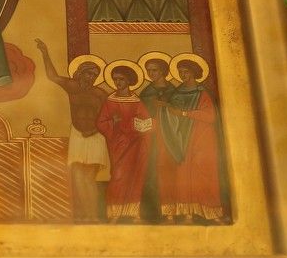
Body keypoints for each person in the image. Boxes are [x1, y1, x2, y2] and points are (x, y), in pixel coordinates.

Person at [35, 40, 109, 221]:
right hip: (77, 134)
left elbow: (109, 117)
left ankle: (93, 215)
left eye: (95, 75)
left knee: (89, 178)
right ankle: (85, 214)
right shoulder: (72, 87)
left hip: (95, 136)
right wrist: (45, 52)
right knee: (77, 178)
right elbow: (52, 76)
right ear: (80, 73)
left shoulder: (100, 94)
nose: (91, 77)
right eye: (89, 73)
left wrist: (95, 130)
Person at [157, 57, 225, 223]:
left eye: (186, 72)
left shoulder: (202, 93)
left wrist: (185, 113)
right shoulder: (176, 93)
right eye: (180, 72)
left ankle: (210, 213)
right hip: (182, 139)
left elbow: (210, 116)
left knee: (203, 174)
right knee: (183, 175)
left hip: (201, 138)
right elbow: (172, 114)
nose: (183, 75)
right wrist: (165, 108)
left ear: (194, 73)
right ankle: (188, 213)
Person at [95, 62, 153, 222]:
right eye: (115, 79)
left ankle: (133, 212)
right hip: (119, 145)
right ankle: (115, 213)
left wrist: (143, 125)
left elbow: (146, 121)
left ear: (129, 80)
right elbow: (101, 122)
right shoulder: (110, 101)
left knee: (136, 176)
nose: (117, 82)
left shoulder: (136, 101)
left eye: (121, 79)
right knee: (118, 176)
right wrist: (113, 123)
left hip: (136, 145)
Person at [137, 53, 176, 221]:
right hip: (150, 138)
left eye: (154, 70)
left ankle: (171, 212)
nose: (150, 73)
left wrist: (166, 107)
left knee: (169, 172)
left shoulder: (174, 91)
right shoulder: (146, 93)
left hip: (169, 137)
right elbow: (139, 114)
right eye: (148, 70)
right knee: (151, 172)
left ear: (163, 71)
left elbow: (181, 114)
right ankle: (152, 212)